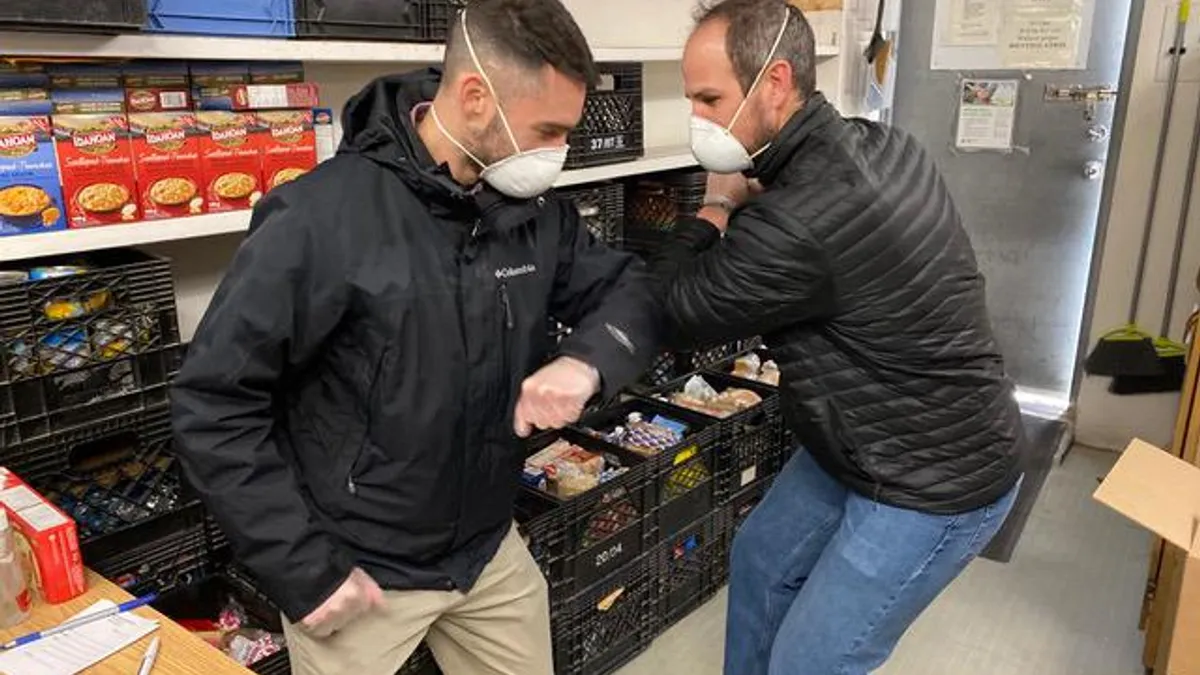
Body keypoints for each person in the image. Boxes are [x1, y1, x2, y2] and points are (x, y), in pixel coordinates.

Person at [170, 2, 659, 673]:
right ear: (475, 97)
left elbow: (627, 287)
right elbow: (213, 402)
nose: (557, 153)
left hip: (485, 548)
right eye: (548, 130)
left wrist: (587, 361)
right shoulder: (320, 219)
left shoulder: (532, 215)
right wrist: (304, 567)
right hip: (358, 568)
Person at [652, 1, 1025, 673]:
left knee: (810, 660)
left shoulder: (799, 219)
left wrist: (714, 202)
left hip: (935, 478)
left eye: (710, 99)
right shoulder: (880, 144)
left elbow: (674, 311)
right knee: (762, 558)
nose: (698, 120)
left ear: (774, 84)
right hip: (865, 442)